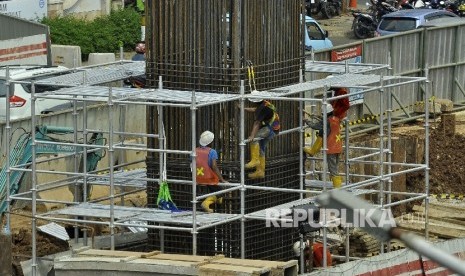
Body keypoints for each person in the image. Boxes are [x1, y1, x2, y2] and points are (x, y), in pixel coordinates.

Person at [303, 87, 350, 188]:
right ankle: (337, 186)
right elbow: (324, 123)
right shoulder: (335, 119)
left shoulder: (327, 121)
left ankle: (337, 188)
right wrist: (317, 117)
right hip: (338, 147)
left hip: (331, 148)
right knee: (335, 167)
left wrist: (306, 121)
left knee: (333, 169)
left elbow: (316, 126)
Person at [244, 90, 280, 179]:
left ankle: (255, 160)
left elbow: (257, 123)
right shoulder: (265, 103)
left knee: (255, 139)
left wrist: (252, 136)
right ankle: (260, 172)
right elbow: (255, 110)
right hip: (275, 128)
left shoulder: (262, 108)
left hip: (270, 128)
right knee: (261, 148)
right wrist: (244, 109)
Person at [195, 130, 227, 213]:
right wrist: (222, 179)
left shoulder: (195, 150)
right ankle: (206, 203)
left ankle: (218, 199)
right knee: (221, 191)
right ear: (210, 142)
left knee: (215, 189)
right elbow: (214, 166)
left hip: (198, 177)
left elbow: (192, 164)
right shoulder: (212, 152)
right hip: (208, 178)